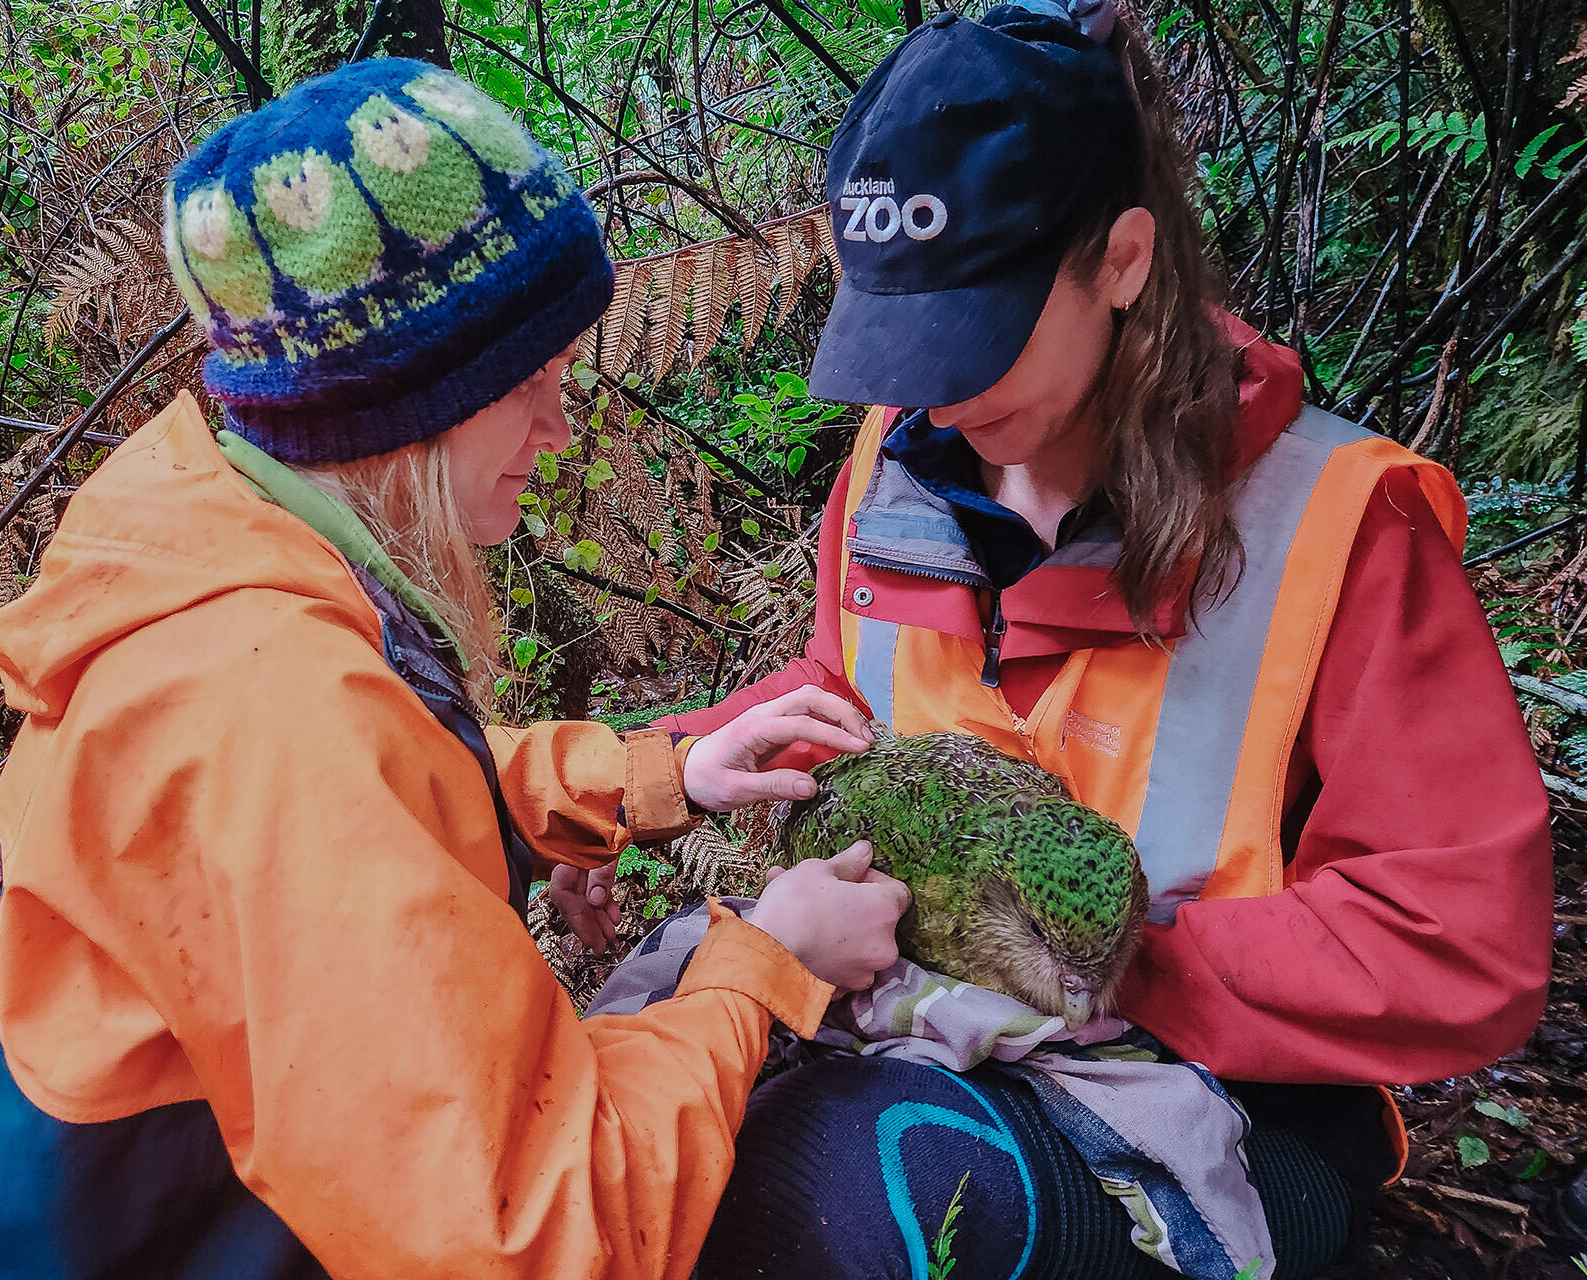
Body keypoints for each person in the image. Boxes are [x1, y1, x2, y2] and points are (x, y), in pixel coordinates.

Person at [0, 59, 914, 1280]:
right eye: (526, 385)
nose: (560, 430)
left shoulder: (218, 562)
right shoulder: (271, 714)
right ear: (396, 408)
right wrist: (766, 964)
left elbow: (378, 800)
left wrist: (648, 776)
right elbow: (540, 1236)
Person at [550, 5, 1554, 1277]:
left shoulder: (1337, 529)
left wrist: (1085, 953)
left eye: (980, 329)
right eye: (910, 337)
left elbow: (1456, 937)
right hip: (920, 1025)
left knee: (855, 1186)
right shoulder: (897, 465)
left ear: (1124, 258)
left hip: (1219, 1088)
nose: (943, 390)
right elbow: (843, 687)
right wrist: (656, 779)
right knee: (636, 1109)